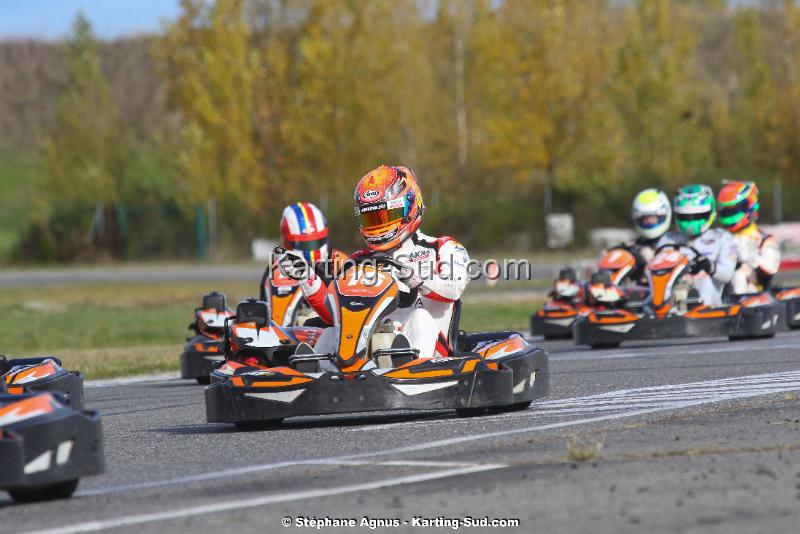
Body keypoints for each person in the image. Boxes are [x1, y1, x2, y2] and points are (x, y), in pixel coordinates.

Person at [278, 165, 470, 359]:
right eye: (371, 219)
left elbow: (453, 288)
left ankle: (410, 369)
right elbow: (335, 317)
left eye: (386, 216)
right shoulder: (360, 260)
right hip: (372, 357)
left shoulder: (442, 248)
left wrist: (416, 279)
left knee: (420, 318)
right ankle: (314, 378)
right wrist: (307, 278)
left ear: (409, 206)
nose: (379, 226)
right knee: (331, 332)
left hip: (434, 356)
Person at [661, 184, 737, 307]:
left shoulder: (722, 238)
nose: (690, 221)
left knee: (703, 280)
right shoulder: (668, 240)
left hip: (712, 301)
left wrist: (709, 266)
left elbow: (727, 274)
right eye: (686, 217)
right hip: (673, 292)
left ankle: (697, 306)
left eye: (696, 216)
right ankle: (652, 309)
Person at [259, 202, 347, 303]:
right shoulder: (277, 267)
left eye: (316, 242)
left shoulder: (339, 261)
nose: (311, 249)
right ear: (287, 242)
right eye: (304, 244)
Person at [717, 181, 780, 294]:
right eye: (726, 211)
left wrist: (752, 259)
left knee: (739, 275)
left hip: (755, 298)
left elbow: (769, 272)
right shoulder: (718, 238)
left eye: (734, 210)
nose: (730, 214)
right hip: (720, 296)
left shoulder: (764, 240)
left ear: (749, 207)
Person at [616, 188, 672, 284]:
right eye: (645, 218)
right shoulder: (635, 245)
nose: (649, 221)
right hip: (641, 293)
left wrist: (650, 257)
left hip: (665, 289)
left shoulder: (673, 242)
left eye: (652, 217)